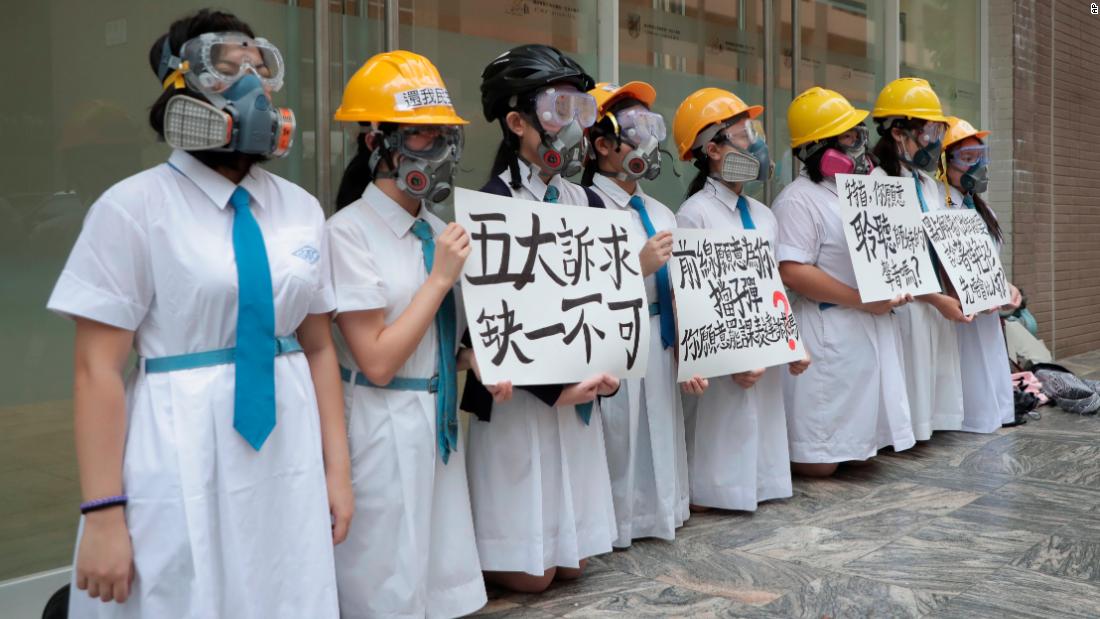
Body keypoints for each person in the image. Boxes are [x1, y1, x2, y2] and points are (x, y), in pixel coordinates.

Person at [48, 10, 351, 616]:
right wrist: (103, 513)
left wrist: (337, 472)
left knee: (284, 593)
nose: (251, 87)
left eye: (259, 70)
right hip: (176, 446)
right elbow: (96, 371)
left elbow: (319, 347)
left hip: (286, 454)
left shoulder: (301, 209)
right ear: (178, 89)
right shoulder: (132, 208)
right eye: (226, 69)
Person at [326, 50, 505, 618]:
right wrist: (441, 279)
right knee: (386, 583)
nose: (444, 151)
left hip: (437, 425)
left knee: (436, 580)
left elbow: (429, 336)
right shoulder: (346, 234)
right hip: (380, 426)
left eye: (445, 136)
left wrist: (471, 361)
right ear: (375, 140)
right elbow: (377, 359)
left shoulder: (434, 228)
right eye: (425, 135)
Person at [461, 43, 620, 593]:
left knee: (573, 564)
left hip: (580, 394)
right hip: (521, 402)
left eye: (582, 109)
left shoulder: (588, 203)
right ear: (516, 121)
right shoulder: (489, 206)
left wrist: (609, 368)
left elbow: (606, 301)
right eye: (558, 109)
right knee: (532, 574)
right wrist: (556, 388)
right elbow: (483, 327)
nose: (574, 125)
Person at [672, 87, 807, 505]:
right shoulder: (694, 214)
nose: (757, 143)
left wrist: (791, 344)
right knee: (722, 437)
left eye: (754, 132)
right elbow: (691, 299)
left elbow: (772, 290)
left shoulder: (764, 215)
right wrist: (728, 363)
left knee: (760, 429)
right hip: (723, 365)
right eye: (744, 134)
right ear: (712, 149)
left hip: (762, 356)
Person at [773, 86, 915, 477]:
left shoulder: (863, 192)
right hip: (827, 325)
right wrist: (861, 299)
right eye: (849, 137)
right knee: (818, 463)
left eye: (859, 134)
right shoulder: (797, 199)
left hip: (866, 325)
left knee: (859, 448)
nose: (860, 146)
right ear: (819, 147)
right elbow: (792, 270)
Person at [581, 81, 696, 546]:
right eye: (634, 128)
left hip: (657, 333)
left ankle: (660, 512)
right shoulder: (583, 206)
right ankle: (614, 524)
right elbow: (576, 287)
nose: (648, 141)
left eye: (652, 126)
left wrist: (693, 351)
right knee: (619, 435)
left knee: (659, 429)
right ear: (602, 143)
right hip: (611, 335)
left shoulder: (660, 211)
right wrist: (636, 266)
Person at [870, 77, 967, 440]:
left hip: (936, 302)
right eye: (928, 129)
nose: (935, 140)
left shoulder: (928, 183)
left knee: (931, 401)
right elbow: (889, 261)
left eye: (937, 129)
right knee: (906, 394)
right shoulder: (877, 182)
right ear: (898, 132)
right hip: (905, 305)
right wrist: (935, 297)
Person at [940, 116, 1022, 432]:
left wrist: (1005, 287)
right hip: (957, 320)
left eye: (981, 156)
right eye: (967, 158)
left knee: (990, 395)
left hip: (986, 320)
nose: (978, 165)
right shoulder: (939, 208)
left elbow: (988, 265)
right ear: (944, 163)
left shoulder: (982, 209)